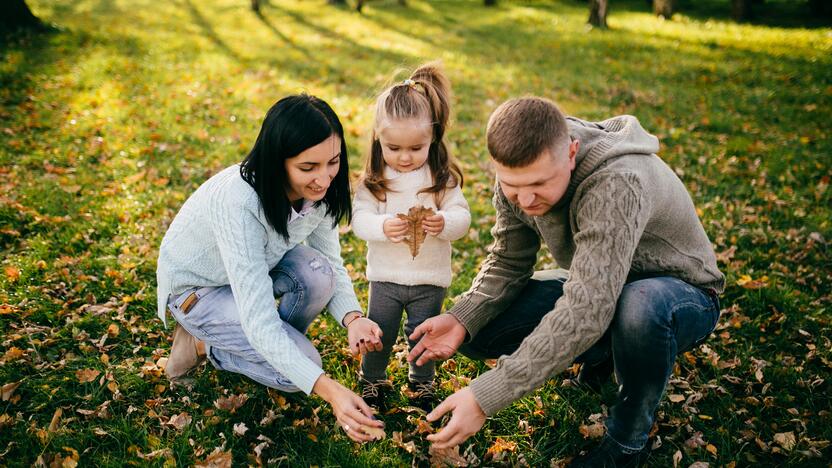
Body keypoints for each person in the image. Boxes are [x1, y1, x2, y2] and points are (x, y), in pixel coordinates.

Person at [407, 97, 725, 466]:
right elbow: (509, 261)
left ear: (572, 153)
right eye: (512, 185)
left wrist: (485, 396)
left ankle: (626, 442)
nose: (524, 199)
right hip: (600, 283)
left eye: (540, 183)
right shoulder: (519, 171)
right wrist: (462, 317)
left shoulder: (616, 182)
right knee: (483, 330)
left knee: (639, 308)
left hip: (682, 294)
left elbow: (587, 310)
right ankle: (607, 352)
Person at [156, 94, 384, 443]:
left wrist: (354, 318)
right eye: (308, 168)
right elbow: (260, 321)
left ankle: (267, 351)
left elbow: (333, 264)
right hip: (196, 292)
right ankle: (202, 345)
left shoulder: (319, 193)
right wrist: (327, 389)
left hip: (251, 274)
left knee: (317, 272)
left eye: (333, 162)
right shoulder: (240, 202)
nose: (323, 179)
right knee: (300, 372)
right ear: (277, 161)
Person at [351, 62, 471, 411]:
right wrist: (382, 227)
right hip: (386, 278)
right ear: (378, 139)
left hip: (429, 279)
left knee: (424, 333)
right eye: (394, 148)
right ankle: (371, 378)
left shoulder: (441, 179)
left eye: (416, 148)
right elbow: (360, 220)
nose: (405, 157)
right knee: (381, 333)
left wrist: (444, 222)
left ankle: (421, 383)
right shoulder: (375, 180)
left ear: (432, 139)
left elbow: (462, 218)